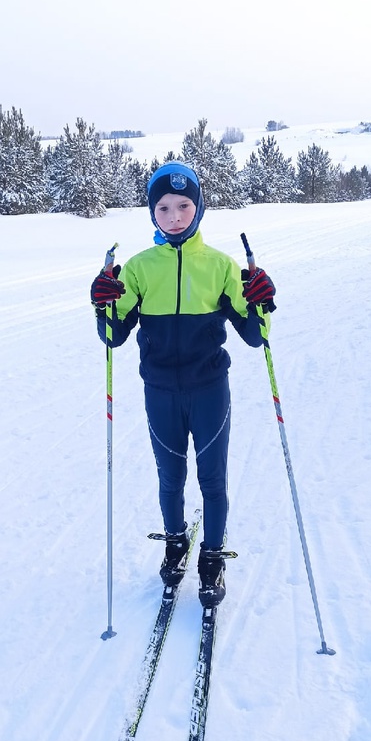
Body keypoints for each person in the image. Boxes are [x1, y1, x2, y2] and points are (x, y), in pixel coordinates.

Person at [89, 161, 276, 606]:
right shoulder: (137, 269)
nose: (175, 216)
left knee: (213, 479)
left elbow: (255, 336)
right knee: (169, 477)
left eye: (185, 205)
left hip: (210, 389)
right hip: (161, 393)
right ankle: (176, 545)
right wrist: (102, 304)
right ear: (152, 213)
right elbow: (114, 335)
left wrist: (261, 301)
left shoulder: (220, 266)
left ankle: (212, 558)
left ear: (200, 207)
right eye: (165, 207)